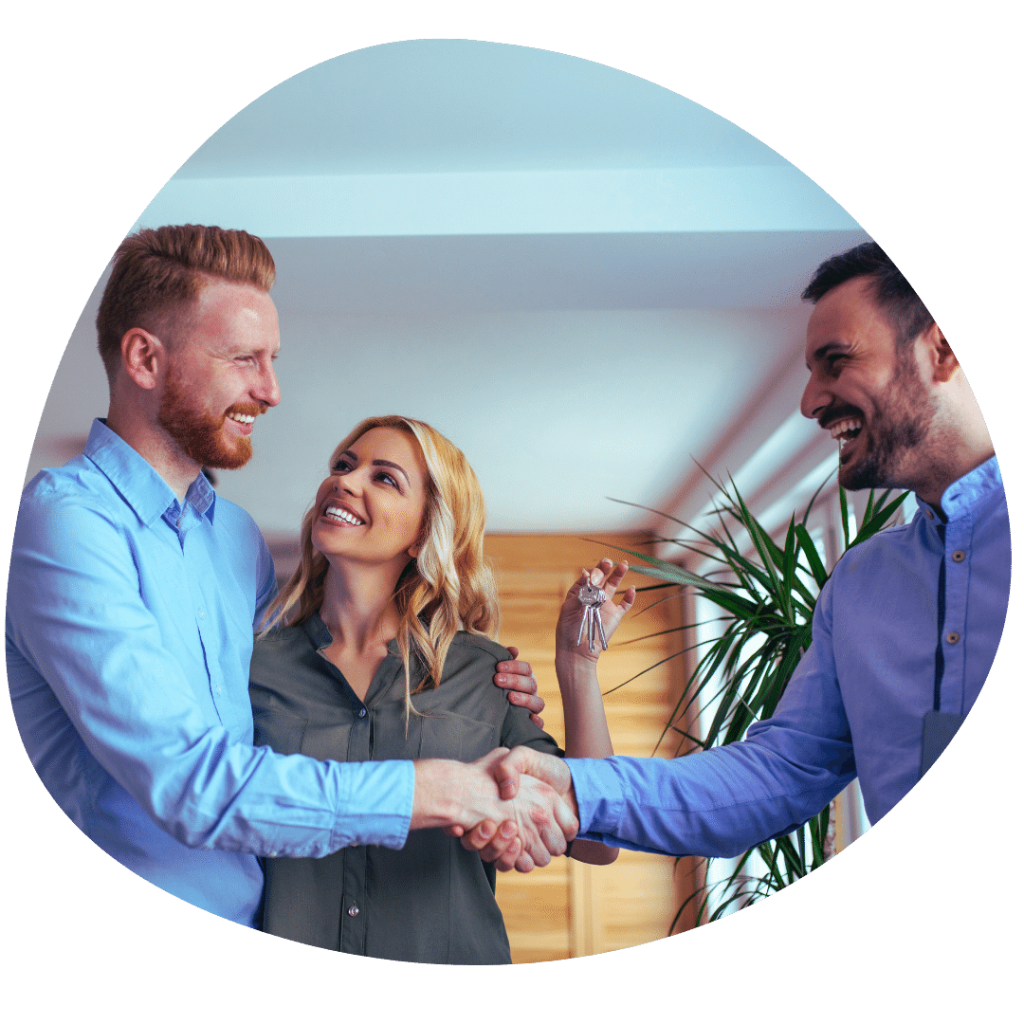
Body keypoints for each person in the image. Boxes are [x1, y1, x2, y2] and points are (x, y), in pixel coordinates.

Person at [4, 224, 572, 932]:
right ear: (146, 358)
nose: (271, 391)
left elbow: (297, 691)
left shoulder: (234, 538)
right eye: (245, 359)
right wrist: (438, 791)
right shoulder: (65, 525)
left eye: (272, 359)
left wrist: (505, 674)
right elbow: (190, 784)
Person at [463, 241, 1009, 865]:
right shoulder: (861, 583)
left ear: (942, 350)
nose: (809, 401)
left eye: (835, 362)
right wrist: (578, 785)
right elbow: (778, 773)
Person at [248, 415, 628, 962]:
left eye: (384, 478)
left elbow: (596, 840)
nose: (345, 482)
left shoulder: (483, 673)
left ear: (425, 530)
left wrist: (578, 664)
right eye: (344, 465)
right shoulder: (255, 666)